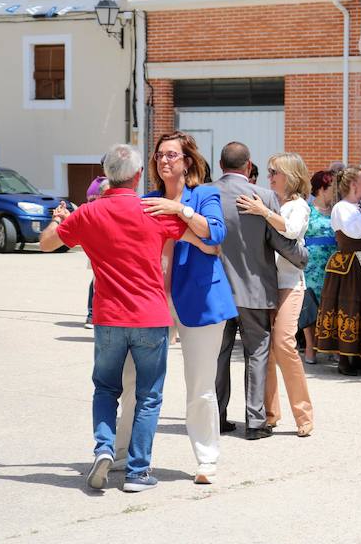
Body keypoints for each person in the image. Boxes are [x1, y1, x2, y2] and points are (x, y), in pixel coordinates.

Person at [40, 144, 188, 493]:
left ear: (107, 175)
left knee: (106, 389)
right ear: (138, 176)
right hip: (150, 316)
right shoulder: (153, 209)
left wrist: (58, 220)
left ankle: (105, 447)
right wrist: (180, 208)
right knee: (149, 395)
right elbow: (205, 238)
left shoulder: (90, 213)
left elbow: (46, 244)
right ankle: (137, 471)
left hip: (109, 316)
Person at [113, 131, 237, 486]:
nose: (164, 160)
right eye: (160, 155)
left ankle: (207, 460)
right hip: (152, 302)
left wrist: (178, 212)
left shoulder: (205, 195)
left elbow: (215, 235)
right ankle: (124, 455)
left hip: (200, 301)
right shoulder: (145, 200)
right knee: (134, 380)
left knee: (199, 385)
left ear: (187, 162)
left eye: (172, 155)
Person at [213, 142, 308, 440]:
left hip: (218, 291)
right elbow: (279, 241)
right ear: (248, 165)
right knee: (257, 354)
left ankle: (217, 417)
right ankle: (255, 422)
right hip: (255, 291)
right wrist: (302, 258)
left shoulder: (206, 193)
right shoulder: (263, 197)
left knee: (220, 355)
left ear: (220, 164)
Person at [236, 152, 315, 437]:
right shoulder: (269, 201)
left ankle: (303, 414)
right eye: (268, 172)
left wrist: (264, 213)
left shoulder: (298, 205)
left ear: (289, 176)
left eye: (273, 172)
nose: (268, 177)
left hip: (290, 284)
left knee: (283, 344)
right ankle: (269, 414)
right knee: (264, 350)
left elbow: (292, 232)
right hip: (264, 283)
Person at [315, 166, 361, 376]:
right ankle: (345, 359)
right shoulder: (341, 207)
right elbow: (355, 232)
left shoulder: (359, 206)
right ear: (354, 184)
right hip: (350, 264)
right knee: (351, 307)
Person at [299, 171, 337, 365]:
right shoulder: (307, 210)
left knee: (331, 305)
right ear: (322, 189)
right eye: (332, 188)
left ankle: (330, 345)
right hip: (312, 264)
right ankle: (310, 346)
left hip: (334, 264)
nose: (335, 191)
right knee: (310, 305)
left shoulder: (337, 210)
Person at [84, 177, 110, 329]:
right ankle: (91, 314)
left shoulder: (96, 184)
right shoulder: (102, 184)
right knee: (97, 278)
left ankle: (92, 314)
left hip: (99, 240)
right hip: (99, 241)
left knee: (97, 278)